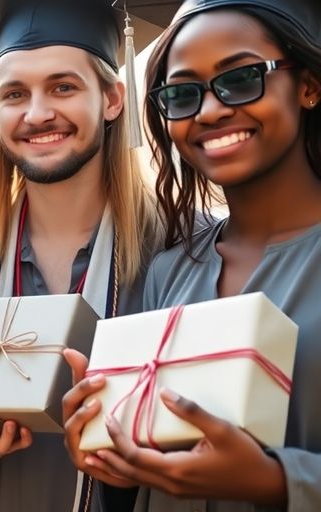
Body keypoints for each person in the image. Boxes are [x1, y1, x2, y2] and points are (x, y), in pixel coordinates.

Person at [0, 0, 180, 510]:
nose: (36, 114)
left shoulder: (181, 248)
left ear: (112, 98)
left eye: (63, 86)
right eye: (14, 93)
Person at [61, 0, 321, 510]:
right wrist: (109, 451)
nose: (210, 110)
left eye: (243, 78)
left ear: (309, 85)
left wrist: (276, 481)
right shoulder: (171, 269)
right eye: (182, 94)